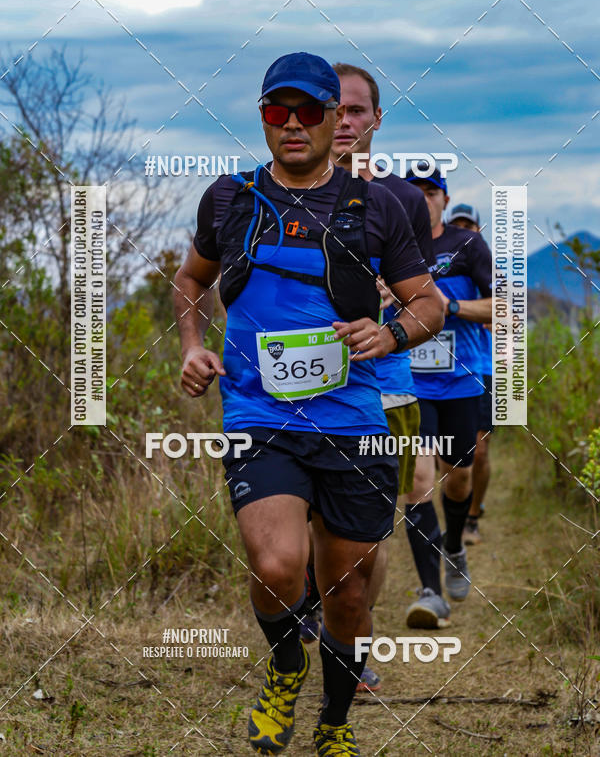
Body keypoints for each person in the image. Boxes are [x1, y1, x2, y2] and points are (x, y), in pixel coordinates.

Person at [173, 52, 444, 756]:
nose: (291, 126)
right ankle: (287, 668)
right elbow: (188, 281)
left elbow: (428, 305)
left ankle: (334, 724)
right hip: (258, 415)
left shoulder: (382, 206)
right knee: (275, 565)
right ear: (262, 117)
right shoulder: (229, 199)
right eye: (275, 112)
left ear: (333, 119)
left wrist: (387, 335)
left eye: (308, 112)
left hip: (353, 421)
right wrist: (192, 345)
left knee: (349, 595)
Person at [327, 63, 434, 693]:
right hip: (299, 390)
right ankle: (319, 611)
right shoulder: (281, 192)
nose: (343, 122)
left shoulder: (398, 200)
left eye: (356, 111)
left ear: (376, 120)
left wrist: (383, 304)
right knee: (308, 524)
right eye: (333, 108)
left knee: (368, 533)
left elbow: (425, 298)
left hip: (384, 384)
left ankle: (358, 640)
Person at [402, 164, 492, 628]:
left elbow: (505, 308)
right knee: (417, 480)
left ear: (443, 198)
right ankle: (430, 592)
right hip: (408, 383)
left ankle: (455, 542)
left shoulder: (467, 245)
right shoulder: (388, 246)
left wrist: (448, 307)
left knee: (458, 475)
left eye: (431, 191)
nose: (422, 198)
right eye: (412, 191)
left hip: (460, 379)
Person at [448, 203, 494, 546]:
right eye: (458, 226)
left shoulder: (486, 268)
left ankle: (474, 517)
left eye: (470, 226)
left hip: (483, 366)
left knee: (478, 450)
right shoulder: (443, 265)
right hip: (440, 369)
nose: (465, 231)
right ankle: (452, 516)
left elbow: (505, 314)